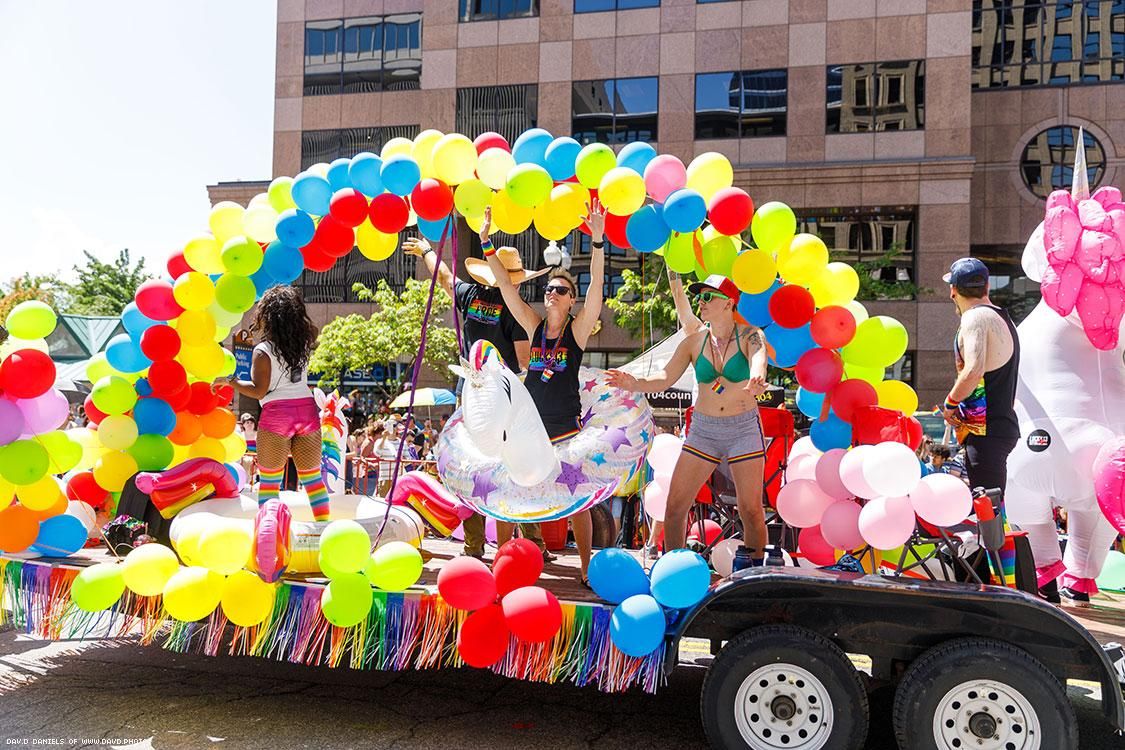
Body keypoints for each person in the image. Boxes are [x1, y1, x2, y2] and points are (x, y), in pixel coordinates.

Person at [403, 228, 554, 562]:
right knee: (517, 463)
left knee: (473, 465)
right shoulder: (515, 309)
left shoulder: (470, 295)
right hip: (504, 396)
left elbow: (443, 277)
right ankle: (532, 542)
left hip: (470, 392)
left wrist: (428, 250)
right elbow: (525, 363)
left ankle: (474, 546)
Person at [608, 274, 769, 569]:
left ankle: (756, 568)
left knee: (750, 509)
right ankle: (673, 571)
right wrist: (634, 383)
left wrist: (758, 376)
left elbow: (759, 358)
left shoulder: (750, 335)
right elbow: (664, 378)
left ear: (728, 303)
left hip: (742, 427)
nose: (701, 302)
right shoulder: (694, 342)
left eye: (708, 297)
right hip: (704, 430)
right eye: (700, 297)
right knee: (675, 506)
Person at [485, 200, 607, 586]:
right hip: (528, 428)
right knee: (507, 493)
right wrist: (487, 243)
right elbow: (506, 287)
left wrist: (599, 241)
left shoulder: (577, 330)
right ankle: (500, 566)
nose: (551, 292)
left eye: (561, 289)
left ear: (572, 299)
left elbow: (599, 290)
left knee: (577, 502)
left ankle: (586, 567)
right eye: (549, 288)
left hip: (565, 429)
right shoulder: (535, 325)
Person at [223, 286, 330, 520]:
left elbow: (259, 390)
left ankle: (268, 534)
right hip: (307, 412)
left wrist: (231, 381)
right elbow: (309, 326)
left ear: (267, 315)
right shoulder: (304, 341)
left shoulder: (262, 351)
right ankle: (324, 527)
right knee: (312, 480)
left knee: (270, 482)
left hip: (277, 415)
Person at [940, 258, 1021, 500]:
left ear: (953, 290)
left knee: (989, 511)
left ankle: (994, 540)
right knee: (990, 509)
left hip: (987, 431)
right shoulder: (1001, 317)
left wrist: (950, 404)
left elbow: (974, 370)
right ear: (986, 287)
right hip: (996, 427)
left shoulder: (975, 318)